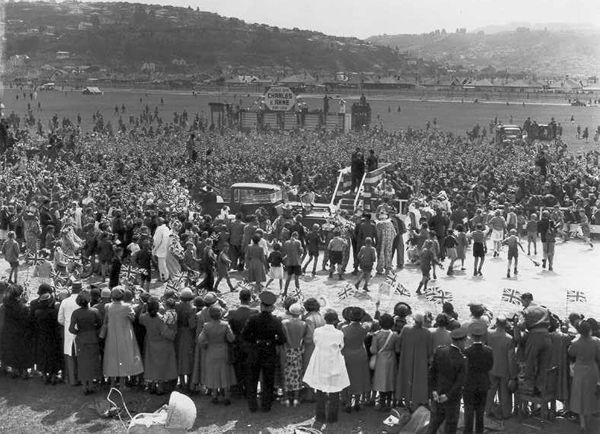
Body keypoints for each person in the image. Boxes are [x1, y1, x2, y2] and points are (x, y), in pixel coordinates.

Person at [241, 291, 286, 412]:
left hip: (255, 350)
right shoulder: (276, 321)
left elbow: (244, 335)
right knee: (268, 380)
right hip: (269, 351)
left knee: (252, 379)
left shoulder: (253, 319)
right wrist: (272, 342)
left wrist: (254, 341)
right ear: (271, 307)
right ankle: (266, 406)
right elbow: (282, 339)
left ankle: (253, 406)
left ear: (261, 305)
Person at [303, 309, 350, 426]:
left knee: (320, 390)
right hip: (334, 362)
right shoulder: (339, 333)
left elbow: (316, 342)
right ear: (335, 320)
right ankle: (332, 417)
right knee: (334, 390)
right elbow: (341, 346)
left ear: (325, 319)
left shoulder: (318, 331)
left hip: (320, 362)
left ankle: (320, 416)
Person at [426, 327, 468, 434]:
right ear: (460, 341)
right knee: (450, 427)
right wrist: (448, 395)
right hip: (452, 399)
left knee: (433, 425)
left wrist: (433, 391)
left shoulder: (440, 351)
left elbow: (432, 373)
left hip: (438, 394)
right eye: (464, 341)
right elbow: (460, 382)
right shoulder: (462, 359)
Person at [102, 287, 144, 389]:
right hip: (124, 335)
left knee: (112, 358)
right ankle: (122, 384)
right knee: (124, 358)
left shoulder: (107, 306)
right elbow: (133, 318)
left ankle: (112, 384)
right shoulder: (127, 307)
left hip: (111, 335)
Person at [198, 305, 236, 405]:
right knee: (224, 373)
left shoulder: (206, 326)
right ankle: (226, 396)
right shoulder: (225, 325)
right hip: (223, 351)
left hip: (211, 351)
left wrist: (205, 346)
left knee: (213, 374)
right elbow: (231, 338)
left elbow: (201, 339)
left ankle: (214, 396)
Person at [139, 297, 178, 395]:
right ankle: (160, 388)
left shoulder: (145, 317)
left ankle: (152, 386)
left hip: (150, 344)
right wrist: (173, 333)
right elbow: (165, 332)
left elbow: (140, 318)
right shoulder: (160, 319)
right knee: (161, 367)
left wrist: (143, 308)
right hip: (162, 345)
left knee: (152, 366)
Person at [568, 319, 600, 433]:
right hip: (592, 370)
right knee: (591, 396)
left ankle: (582, 425)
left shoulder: (575, 342)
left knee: (580, 397)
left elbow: (571, 353)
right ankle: (589, 421)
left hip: (580, 371)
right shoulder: (596, 341)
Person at [395, 312, 433, 409]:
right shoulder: (427, 333)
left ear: (414, 321)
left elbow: (398, 342)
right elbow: (429, 351)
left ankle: (406, 402)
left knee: (406, 378)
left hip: (406, 359)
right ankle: (416, 403)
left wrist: (398, 351)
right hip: (421, 362)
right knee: (419, 381)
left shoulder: (406, 329)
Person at [462, 323, 494, 434]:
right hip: (483, 383)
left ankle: (468, 431)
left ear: (471, 335)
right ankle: (479, 431)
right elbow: (490, 366)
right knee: (480, 411)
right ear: (482, 336)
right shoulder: (489, 351)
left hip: (469, 384)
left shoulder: (466, 351)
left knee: (468, 411)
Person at [517, 292, 551, 395]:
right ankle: (541, 389)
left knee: (530, 363)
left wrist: (517, 325)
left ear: (527, 300)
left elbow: (521, 325)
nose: (521, 304)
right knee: (544, 365)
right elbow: (554, 324)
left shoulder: (525, 311)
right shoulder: (545, 309)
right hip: (547, 338)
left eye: (522, 301)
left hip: (534, 337)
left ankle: (529, 389)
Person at [69, 292, 103, 395]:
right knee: (93, 362)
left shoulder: (76, 313)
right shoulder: (95, 311)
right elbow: (100, 324)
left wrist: (78, 332)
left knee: (82, 363)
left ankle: (84, 386)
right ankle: (91, 385)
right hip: (92, 338)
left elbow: (71, 329)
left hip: (81, 340)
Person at [228, 289, 258, 397]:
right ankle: (249, 391)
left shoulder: (232, 313)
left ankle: (238, 389)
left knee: (238, 368)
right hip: (250, 345)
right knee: (250, 369)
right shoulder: (255, 313)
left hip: (237, 345)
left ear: (239, 298)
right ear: (250, 299)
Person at [486, 315, 517, 420]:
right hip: (504, 369)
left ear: (496, 323)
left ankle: (487, 410)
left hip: (491, 367)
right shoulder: (509, 338)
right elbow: (511, 358)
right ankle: (506, 413)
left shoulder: (489, 334)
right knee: (505, 394)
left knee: (490, 391)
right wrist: (513, 374)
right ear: (506, 324)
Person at [341, 307, 371, 412]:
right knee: (359, 378)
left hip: (348, 356)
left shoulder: (344, 329)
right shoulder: (365, 328)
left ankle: (348, 403)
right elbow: (372, 321)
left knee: (347, 379)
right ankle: (357, 402)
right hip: (360, 355)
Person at [281, 302, 310, 407]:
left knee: (286, 374)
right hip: (297, 350)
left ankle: (286, 398)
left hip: (287, 350)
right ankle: (296, 398)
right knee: (297, 374)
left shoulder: (284, 323)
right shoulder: (303, 324)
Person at [0, 285, 33, 379]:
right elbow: (27, 321)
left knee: (13, 351)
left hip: (9, 333)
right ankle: (24, 372)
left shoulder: (5, 306)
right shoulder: (24, 307)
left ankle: (14, 371)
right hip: (22, 333)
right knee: (23, 352)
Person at [370, 313, 398, 411]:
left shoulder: (376, 335)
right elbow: (397, 349)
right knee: (390, 380)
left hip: (381, 359)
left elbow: (373, 350)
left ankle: (381, 403)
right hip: (391, 359)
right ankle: (389, 402)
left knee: (381, 381)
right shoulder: (394, 335)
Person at [57, 281, 83, 385]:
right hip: (81, 331)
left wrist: (67, 324)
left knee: (70, 356)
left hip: (69, 332)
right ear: (80, 289)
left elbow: (60, 319)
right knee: (80, 356)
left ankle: (72, 380)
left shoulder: (65, 302)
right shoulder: (83, 301)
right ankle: (81, 379)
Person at [175, 288, 196, 392]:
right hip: (188, 335)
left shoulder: (177, 306)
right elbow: (192, 325)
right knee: (189, 359)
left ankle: (182, 383)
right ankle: (189, 384)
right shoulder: (192, 308)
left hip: (178, 334)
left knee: (180, 359)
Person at [283, 231, 303, 295]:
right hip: (296, 262)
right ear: (296, 236)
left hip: (289, 262)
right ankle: (298, 292)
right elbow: (300, 252)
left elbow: (286, 252)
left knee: (288, 278)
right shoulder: (298, 242)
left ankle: (285, 291)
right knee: (296, 278)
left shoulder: (286, 243)